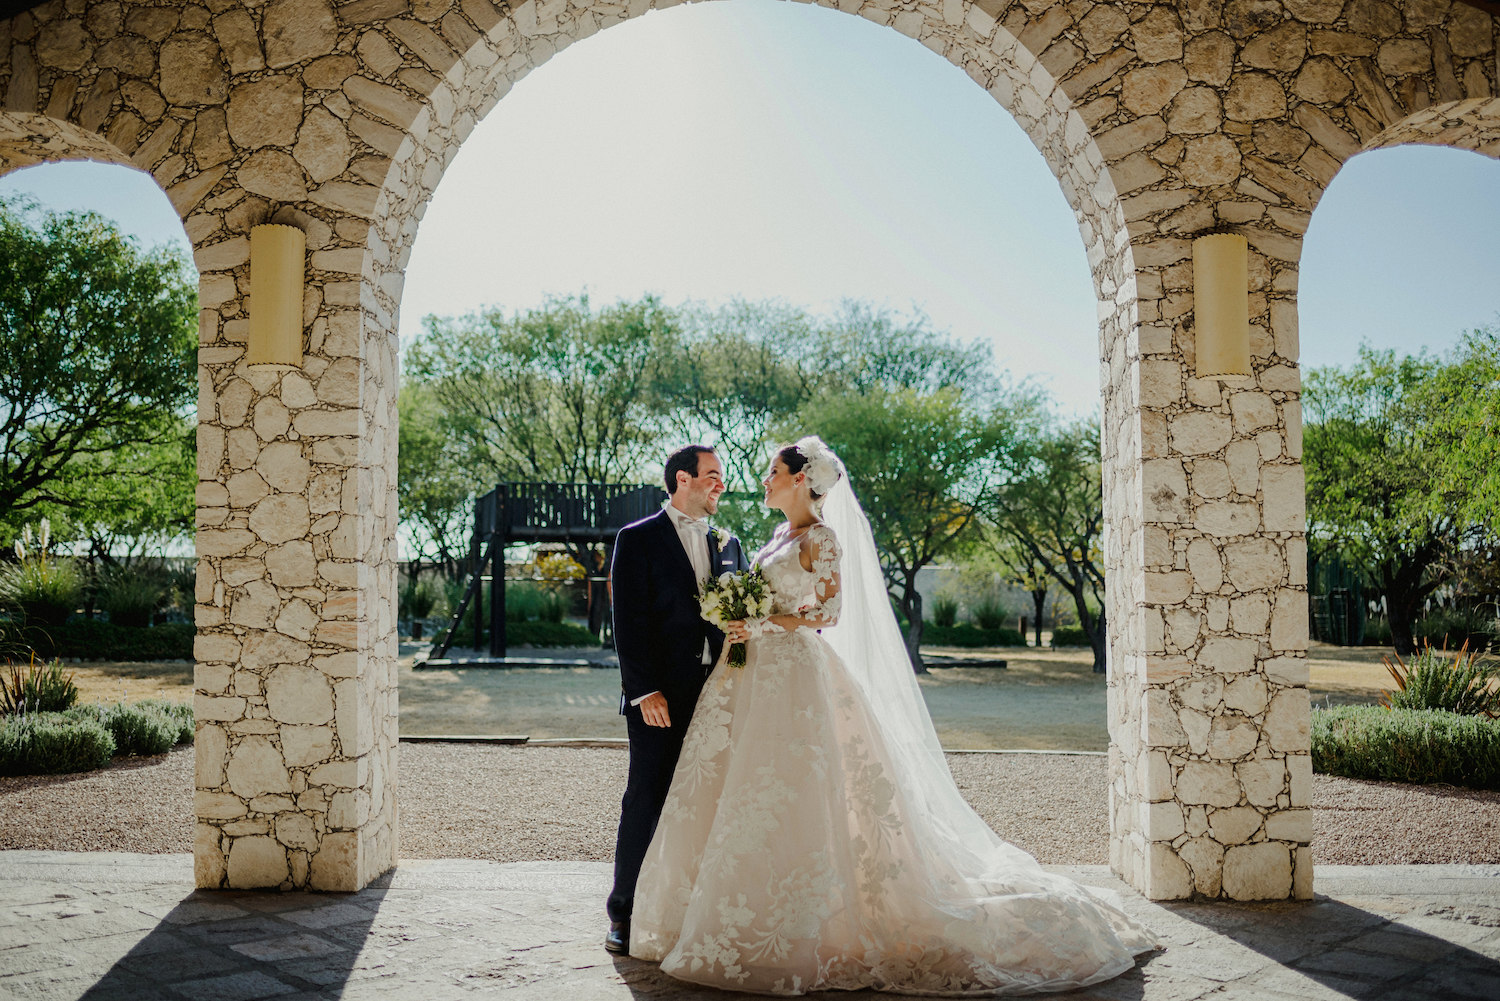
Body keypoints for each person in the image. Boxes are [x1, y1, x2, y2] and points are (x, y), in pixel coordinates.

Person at [628, 436, 1156, 995]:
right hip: (749, 675)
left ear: (802, 479)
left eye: (773, 472)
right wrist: (743, 620)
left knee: (798, 786)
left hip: (796, 676)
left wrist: (754, 624)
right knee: (736, 787)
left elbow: (826, 613)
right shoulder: (773, 537)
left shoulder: (822, 538)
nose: (764, 480)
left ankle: (801, 922)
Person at [605, 444, 751, 955]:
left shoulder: (726, 543)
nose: (720, 485)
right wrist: (643, 690)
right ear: (682, 479)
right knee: (645, 799)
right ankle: (622, 912)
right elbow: (628, 621)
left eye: (722, 478)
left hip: (715, 695)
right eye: (712, 476)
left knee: (702, 803)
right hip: (659, 699)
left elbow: (738, 614)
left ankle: (684, 911)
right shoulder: (636, 539)